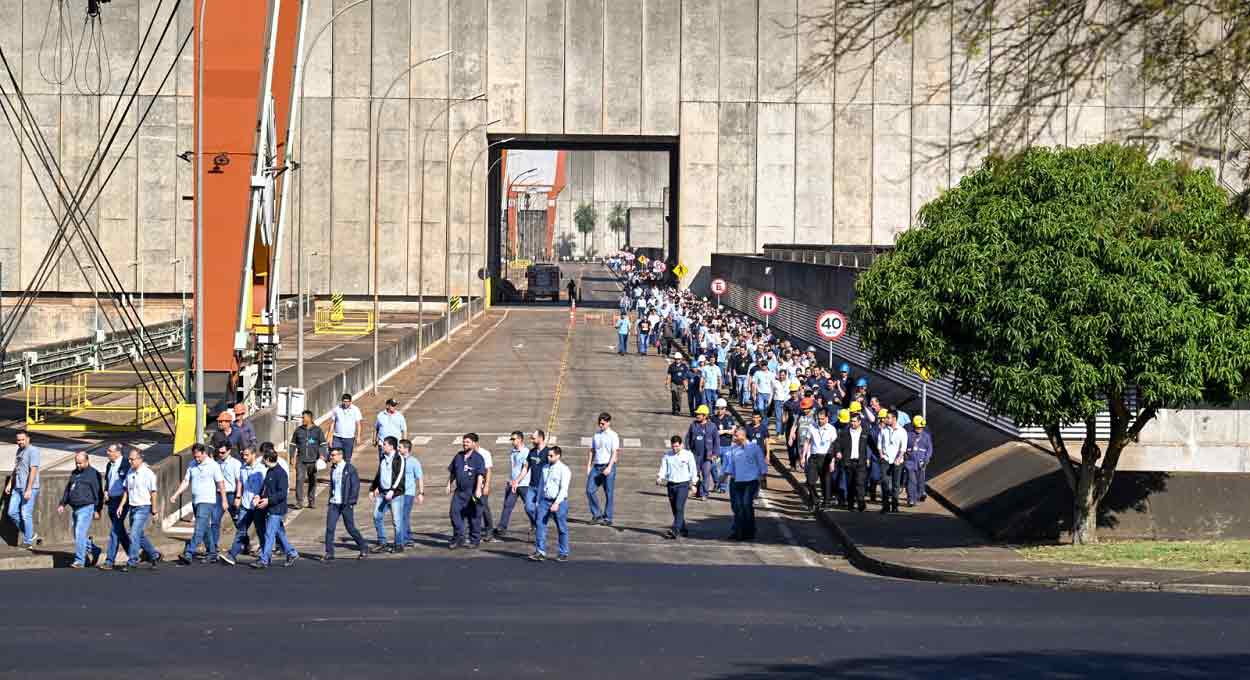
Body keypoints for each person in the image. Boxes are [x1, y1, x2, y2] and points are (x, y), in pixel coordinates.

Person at [170, 443, 227, 565]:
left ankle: (189, 552)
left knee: (199, 527)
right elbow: (186, 481)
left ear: (204, 453)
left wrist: (224, 500)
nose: (197, 459)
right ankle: (212, 553)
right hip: (196, 500)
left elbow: (221, 483)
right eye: (195, 457)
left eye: (199, 457)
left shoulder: (213, 465)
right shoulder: (192, 465)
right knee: (205, 529)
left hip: (207, 501)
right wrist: (176, 494)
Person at [252, 450, 299, 569]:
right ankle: (292, 553)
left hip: (276, 509)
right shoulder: (270, 471)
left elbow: (282, 493)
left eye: (263, 459)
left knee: (269, 534)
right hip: (269, 508)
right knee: (279, 533)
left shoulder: (281, 473)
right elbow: (265, 488)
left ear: (268, 459)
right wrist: (259, 496)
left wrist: (268, 500)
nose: (262, 461)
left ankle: (264, 560)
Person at [118, 449, 161, 572]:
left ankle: (132, 561)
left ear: (140, 459)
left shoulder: (148, 474)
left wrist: (154, 510)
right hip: (133, 506)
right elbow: (126, 490)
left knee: (134, 533)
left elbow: (153, 493)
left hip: (143, 507)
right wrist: (121, 505)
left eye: (132, 459)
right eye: (129, 459)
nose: (130, 461)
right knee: (139, 535)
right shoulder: (130, 472)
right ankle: (154, 555)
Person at [221, 447, 266, 566]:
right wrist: (238, 496)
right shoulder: (242, 467)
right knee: (241, 531)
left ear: (253, 455)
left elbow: (266, 486)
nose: (244, 457)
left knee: (261, 532)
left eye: (247, 455)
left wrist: (261, 497)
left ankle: (265, 556)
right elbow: (240, 481)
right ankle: (232, 556)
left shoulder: (261, 469)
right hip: (245, 505)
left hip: (258, 506)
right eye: (243, 455)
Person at [57, 452, 103, 568]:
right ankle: (95, 549)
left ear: (87, 461)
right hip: (75, 508)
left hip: (86, 507)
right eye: (76, 463)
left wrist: (97, 509)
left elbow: (98, 493)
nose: (78, 465)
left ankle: (79, 561)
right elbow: (68, 489)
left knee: (79, 533)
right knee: (77, 535)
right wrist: (62, 503)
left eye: (80, 463)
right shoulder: (74, 473)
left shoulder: (93, 474)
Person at [322, 447, 368, 561]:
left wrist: (352, 501)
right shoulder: (333, 468)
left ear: (340, 456)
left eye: (333, 455)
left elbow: (355, 486)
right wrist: (330, 499)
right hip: (334, 503)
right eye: (331, 455)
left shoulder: (350, 469)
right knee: (330, 528)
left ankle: (363, 547)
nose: (331, 457)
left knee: (350, 528)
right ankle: (329, 553)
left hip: (346, 503)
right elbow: (333, 486)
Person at [723, 426, 767, 541]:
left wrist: (762, 478)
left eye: (736, 435)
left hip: (751, 481)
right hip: (737, 481)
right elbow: (731, 466)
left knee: (746, 505)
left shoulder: (754, 448)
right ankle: (738, 532)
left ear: (742, 436)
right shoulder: (734, 449)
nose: (734, 437)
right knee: (737, 507)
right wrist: (724, 476)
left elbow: (762, 464)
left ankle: (749, 531)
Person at [530, 446, 570, 562]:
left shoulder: (564, 469)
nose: (548, 457)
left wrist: (556, 503)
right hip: (544, 501)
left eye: (551, 456)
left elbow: (564, 489)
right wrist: (538, 501)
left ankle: (563, 552)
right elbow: (542, 485)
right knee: (540, 525)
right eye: (548, 455)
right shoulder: (545, 468)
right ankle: (540, 551)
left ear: (558, 456)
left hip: (559, 502)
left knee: (561, 527)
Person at [447, 435, 487, 549]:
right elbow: (453, 472)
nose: (465, 444)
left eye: (468, 442)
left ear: (474, 444)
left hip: (472, 493)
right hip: (459, 492)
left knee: (474, 517)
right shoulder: (458, 456)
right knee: (454, 513)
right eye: (464, 442)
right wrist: (449, 484)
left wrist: (479, 489)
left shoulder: (478, 458)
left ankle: (474, 540)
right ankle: (459, 536)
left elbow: (480, 474)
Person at [369, 436, 406, 553]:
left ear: (391, 446)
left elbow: (399, 475)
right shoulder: (383, 457)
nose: (382, 446)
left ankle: (399, 544)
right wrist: (373, 488)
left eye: (384, 444)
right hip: (382, 493)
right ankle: (382, 542)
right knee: (377, 516)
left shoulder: (399, 458)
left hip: (395, 495)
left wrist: (392, 490)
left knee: (396, 521)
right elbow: (379, 473)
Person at [656, 435, 697, 540]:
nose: (675, 448)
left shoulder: (688, 455)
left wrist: (694, 484)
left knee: (679, 507)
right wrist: (660, 477)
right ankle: (683, 529)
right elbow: (663, 468)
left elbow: (693, 470)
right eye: (673, 446)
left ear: (681, 445)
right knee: (675, 509)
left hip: (683, 484)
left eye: (677, 446)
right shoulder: (667, 455)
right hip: (671, 484)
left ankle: (675, 530)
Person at [5, 431, 41, 549]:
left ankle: (28, 541)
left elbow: (33, 470)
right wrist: (10, 484)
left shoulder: (33, 451)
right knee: (11, 512)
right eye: (18, 440)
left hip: (29, 488)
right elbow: (17, 468)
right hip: (17, 487)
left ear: (28, 439)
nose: (20, 442)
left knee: (26, 514)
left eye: (22, 440)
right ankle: (30, 534)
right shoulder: (19, 451)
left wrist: (29, 489)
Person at [99, 444, 132, 570]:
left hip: (122, 500)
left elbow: (127, 485)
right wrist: (106, 491)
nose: (107, 453)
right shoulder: (109, 465)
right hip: (112, 500)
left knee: (114, 530)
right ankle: (150, 554)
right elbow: (108, 480)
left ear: (118, 452)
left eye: (110, 451)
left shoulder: (125, 464)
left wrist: (124, 501)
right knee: (120, 531)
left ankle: (109, 560)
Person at [585, 413, 620, 526]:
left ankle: (608, 517)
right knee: (589, 490)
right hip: (597, 466)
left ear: (608, 423)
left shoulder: (613, 435)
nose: (601, 425)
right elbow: (592, 450)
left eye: (603, 424)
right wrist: (589, 466)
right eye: (599, 423)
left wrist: (609, 467)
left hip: (608, 466)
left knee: (608, 493)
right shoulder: (596, 435)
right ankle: (597, 514)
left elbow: (615, 452)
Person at [494, 431, 529, 540]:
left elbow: (525, 469)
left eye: (514, 439)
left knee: (529, 507)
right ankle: (502, 527)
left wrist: (517, 481)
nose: (512, 441)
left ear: (520, 439)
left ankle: (536, 525)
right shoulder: (513, 451)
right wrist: (510, 480)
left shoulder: (526, 452)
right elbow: (514, 468)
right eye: (512, 439)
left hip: (524, 484)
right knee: (507, 505)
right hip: (512, 483)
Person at [211, 440, 244, 554]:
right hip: (219, 495)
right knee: (215, 520)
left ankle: (245, 543)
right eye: (219, 452)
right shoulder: (216, 463)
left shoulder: (235, 463)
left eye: (223, 452)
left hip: (231, 494)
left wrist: (238, 496)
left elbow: (239, 480)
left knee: (238, 521)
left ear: (229, 451)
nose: (220, 455)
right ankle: (213, 546)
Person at [802, 409, 838, 511]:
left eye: (822, 419)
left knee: (826, 482)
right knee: (810, 481)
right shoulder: (812, 426)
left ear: (827, 418)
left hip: (826, 457)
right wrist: (803, 456)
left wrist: (832, 461)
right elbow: (807, 441)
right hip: (814, 457)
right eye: (818, 419)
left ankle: (826, 503)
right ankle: (815, 500)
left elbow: (834, 445)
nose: (820, 421)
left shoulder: (831, 429)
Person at [290, 409, 327, 509]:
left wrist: (322, 455)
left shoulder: (318, 430)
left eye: (304, 417)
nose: (302, 419)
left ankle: (311, 501)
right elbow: (292, 444)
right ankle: (299, 502)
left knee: (312, 481)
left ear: (310, 418)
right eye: (302, 417)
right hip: (301, 461)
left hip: (313, 461)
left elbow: (323, 444)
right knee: (299, 480)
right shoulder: (298, 430)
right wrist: (292, 456)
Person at [836, 411, 871, 511]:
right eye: (851, 421)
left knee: (860, 483)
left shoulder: (865, 433)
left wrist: (874, 456)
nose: (852, 423)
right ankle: (850, 504)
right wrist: (838, 452)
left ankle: (861, 502)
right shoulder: (844, 433)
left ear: (859, 422)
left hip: (860, 462)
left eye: (855, 421)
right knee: (850, 484)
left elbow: (871, 445)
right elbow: (837, 443)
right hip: (848, 462)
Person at [686, 404, 720, 500]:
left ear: (705, 415)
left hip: (707, 456)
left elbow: (716, 441)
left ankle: (704, 493)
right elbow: (688, 438)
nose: (697, 416)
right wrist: (688, 450)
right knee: (695, 474)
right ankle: (696, 491)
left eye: (699, 414)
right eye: (697, 414)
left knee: (706, 474)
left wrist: (715, 454)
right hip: (695, 455)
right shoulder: (693, 425)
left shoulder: (712, 426)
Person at [877, 409, 907, 513]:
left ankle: (895, 506)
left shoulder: (902, 431)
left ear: (894, 418)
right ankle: (885, 506)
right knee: (884, 482)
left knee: (896, 484)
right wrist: (881, 455)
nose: (885, 419)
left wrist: (898, 459)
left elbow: (903, 448)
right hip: (885, 459)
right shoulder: (883, 430)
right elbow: (879, 443)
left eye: (888, 417)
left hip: (897, 461)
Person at [398, 439, 424, 547]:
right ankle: (408, 537)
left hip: (408, 493)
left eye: (400, 447)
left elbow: (420, 478)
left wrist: (421, 493)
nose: (398, 449)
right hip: (398, 493)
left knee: (403, 516)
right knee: (402, 516)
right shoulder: (397, 460)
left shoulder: (414, 462)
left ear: (406, 449)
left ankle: (403, 539)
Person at [905, 416, 933, 506]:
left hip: (921, 462)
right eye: (918, 428)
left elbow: (929, 449)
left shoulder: (926, 436)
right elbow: (903, 446)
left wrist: (926, 459)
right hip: (910, 462)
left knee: (920, 481)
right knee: (911, 480)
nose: (919, 429)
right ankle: (911, 499)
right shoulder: (908, 435)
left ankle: (918, 495)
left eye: (921, 428)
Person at [331, 393, 364, 462]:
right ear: (342, 401)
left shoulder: (355, 409)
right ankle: (335, 470)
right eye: (344, 401)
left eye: (347, 402)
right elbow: (332, 423)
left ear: (350, 402)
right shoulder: (337, 409)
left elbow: (358, 424)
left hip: (349, 438)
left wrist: (358, 436)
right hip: (337, 437)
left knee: (347, 458)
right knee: (334, 455)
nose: (345, 403)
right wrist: (329, 436)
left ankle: (345, 471)